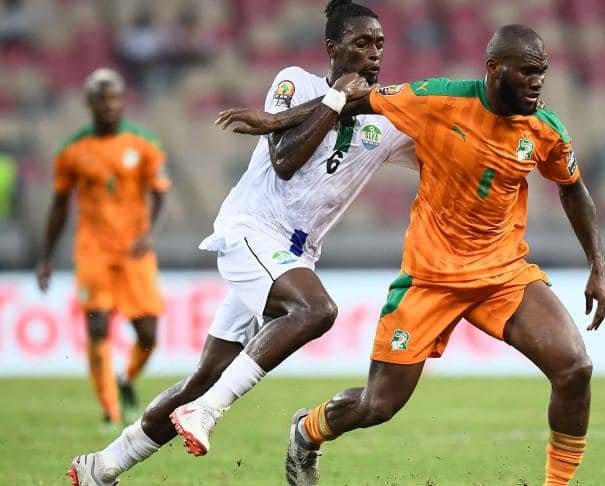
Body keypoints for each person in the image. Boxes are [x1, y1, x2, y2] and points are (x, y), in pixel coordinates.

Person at [210, 24, 605, 486]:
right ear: (494, 68)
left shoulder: (545, 129)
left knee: (575, 368)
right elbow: (351, 101)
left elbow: (573, 190)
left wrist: (597, 267)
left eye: (542, 72)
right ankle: (307, 430)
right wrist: (275, 121)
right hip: (429, 280)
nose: (538, 82)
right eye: (527, 72)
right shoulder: (436, 99)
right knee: (377, 405)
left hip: (501, 274)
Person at [66, 1, 417, 484]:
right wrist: (336, 100)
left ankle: (103, 466)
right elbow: (285, 159)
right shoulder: (296, 83)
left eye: (379, 43)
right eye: (361, 43)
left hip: (293, 256)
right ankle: (207, 411)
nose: (374, 53)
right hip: (252, 231)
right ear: (332, 47)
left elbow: (440, 142)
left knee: (204, 376)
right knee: (316, 311)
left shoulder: (389, 120)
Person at [37, 68, 169, 433]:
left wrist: (150, 234)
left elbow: (161, 196)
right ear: (89, 103)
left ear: (123, 102)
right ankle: (110, 411)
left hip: (134, 252)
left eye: (115, 99)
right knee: (98, 329)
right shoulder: (71, 151)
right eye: (102, 100)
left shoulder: (144, 144)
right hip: (92, 252)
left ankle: (126, 380)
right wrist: (46, 258)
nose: (109, 106)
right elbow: (59, 207)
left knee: (148, 335)